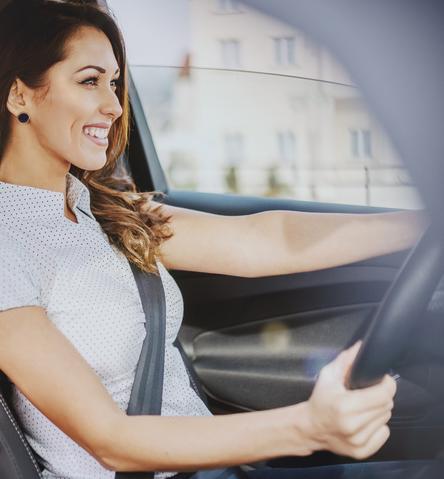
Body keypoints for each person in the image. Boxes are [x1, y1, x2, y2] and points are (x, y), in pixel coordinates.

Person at [0, 1, 440, 478]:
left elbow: (262, 240)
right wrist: (310, 426)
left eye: (113, 83)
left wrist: (425, 221)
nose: (113, 104)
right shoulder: (6, 245)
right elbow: (112, 440)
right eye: (89, 81)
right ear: (21, 95)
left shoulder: (103, 208)